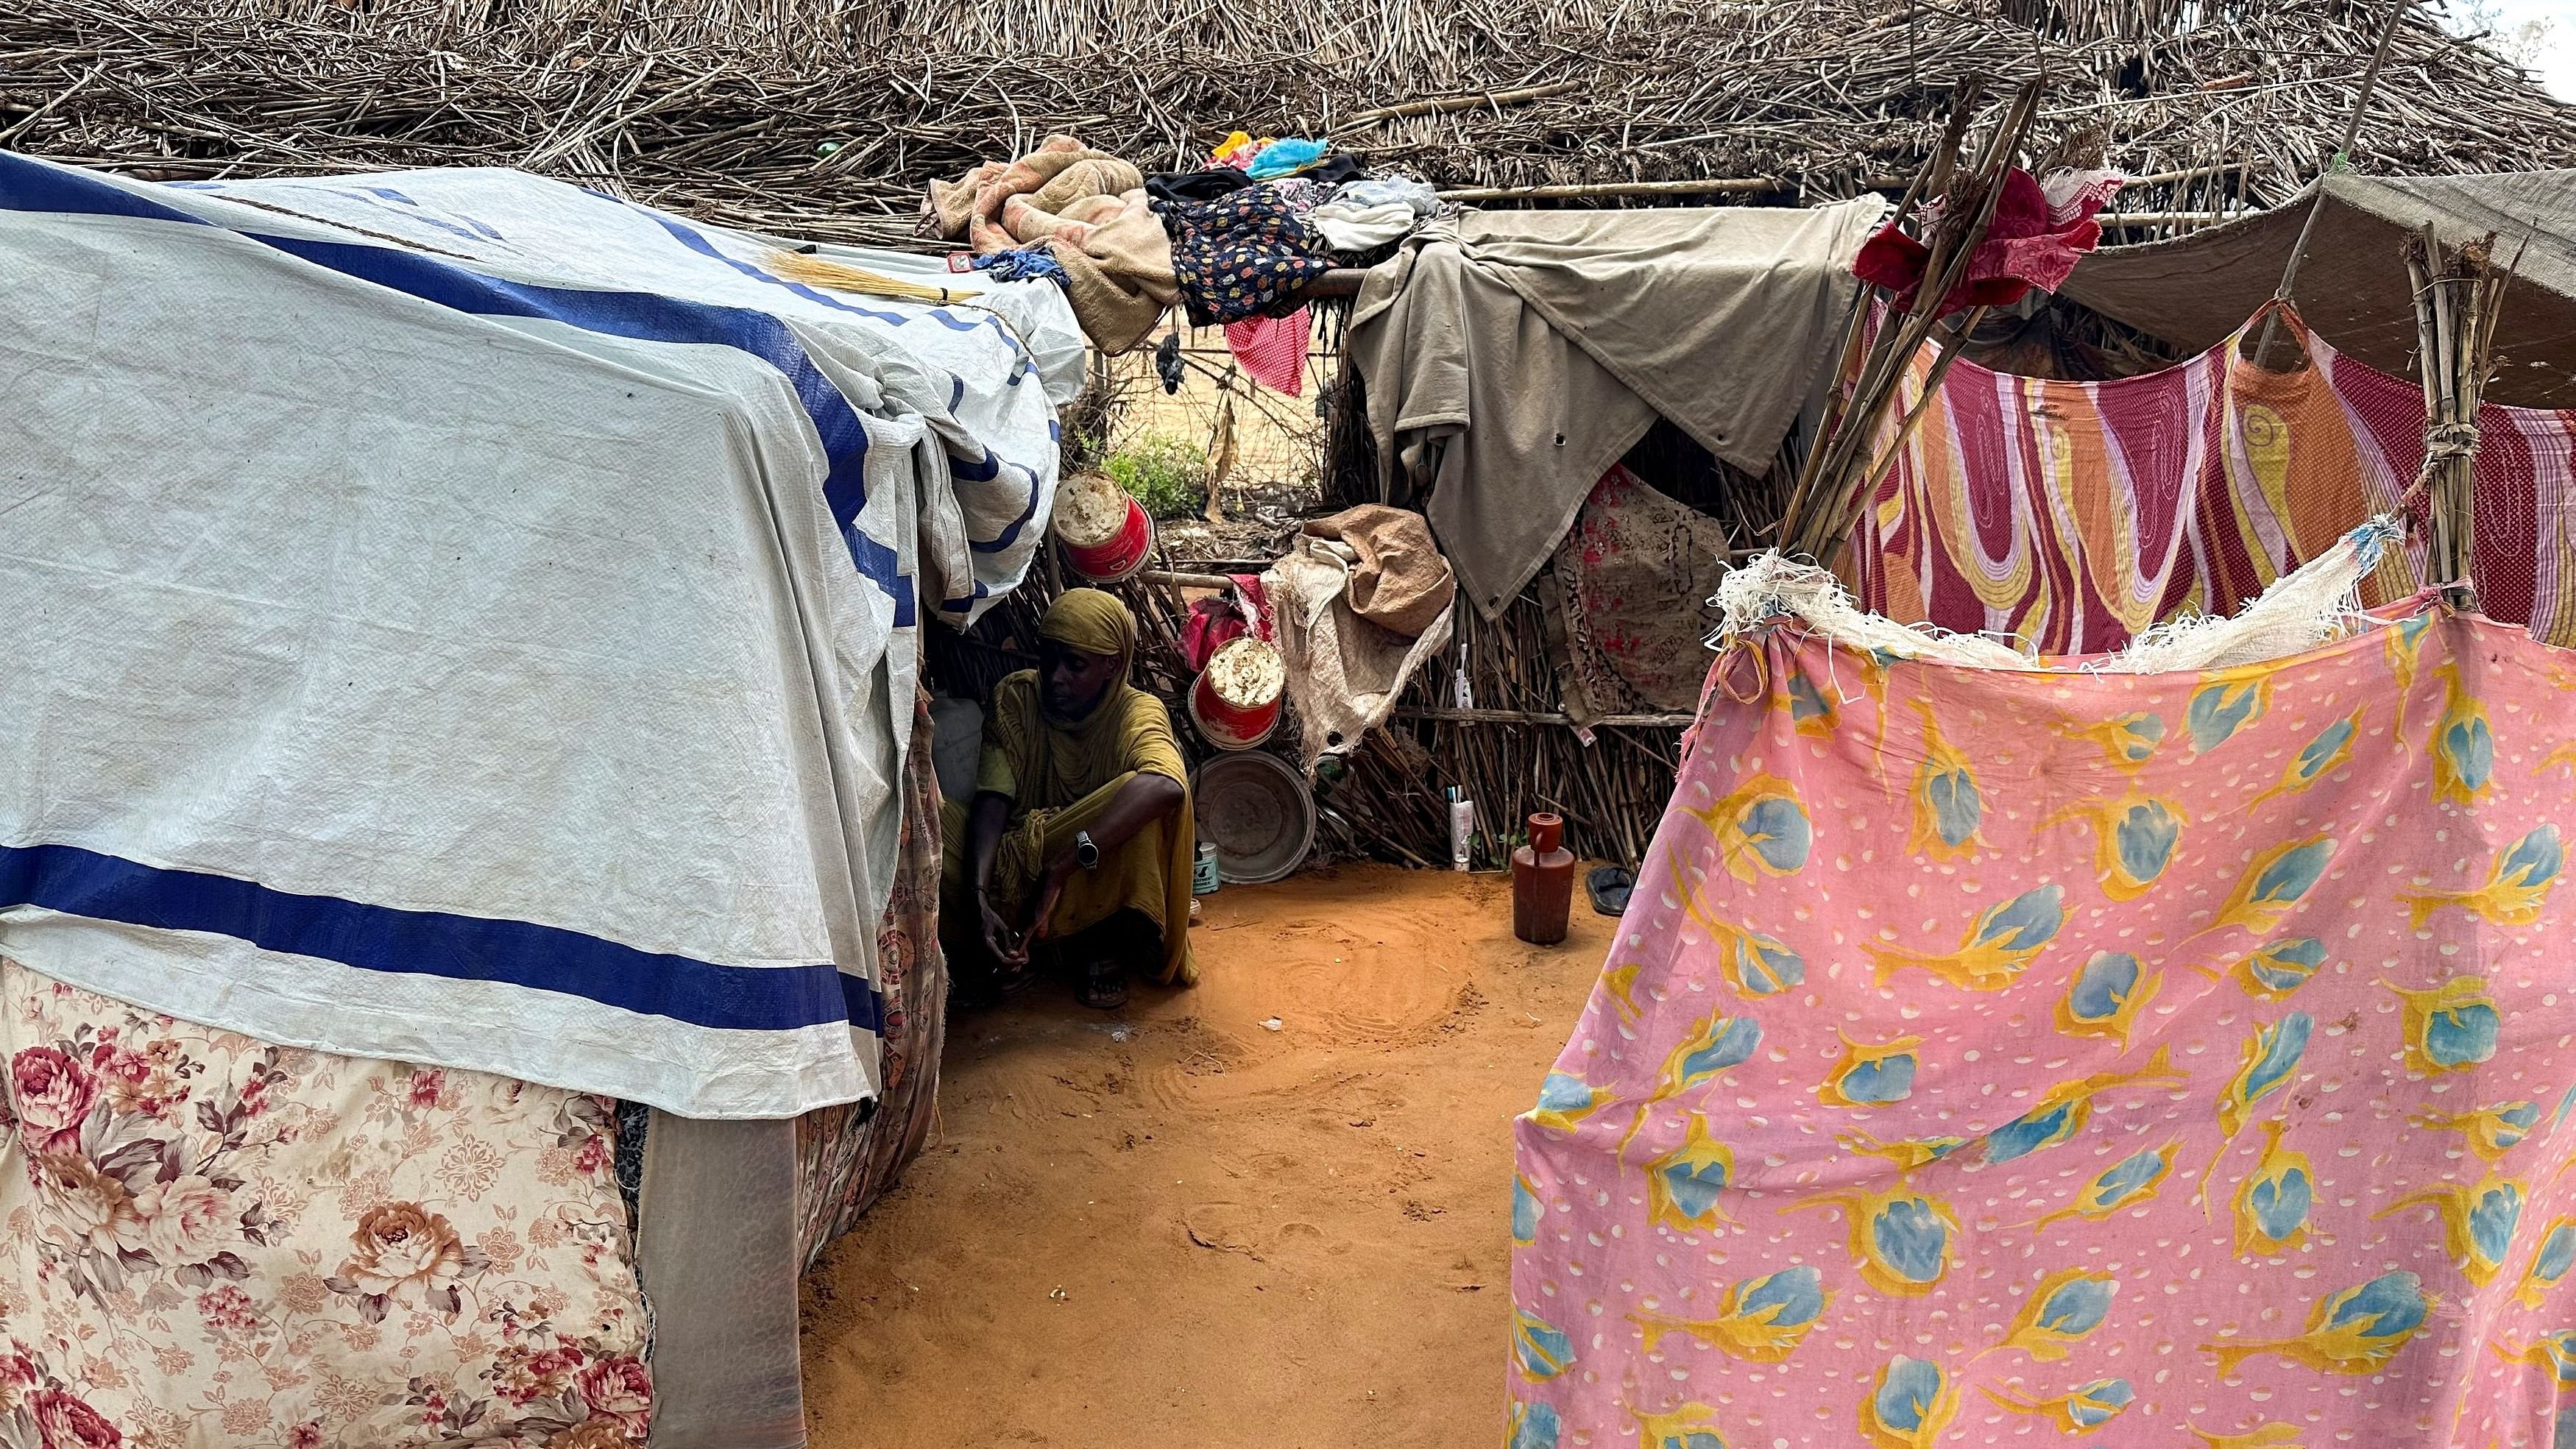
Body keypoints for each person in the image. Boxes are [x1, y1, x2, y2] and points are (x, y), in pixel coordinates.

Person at [942, 588, 1197, 1009]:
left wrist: (1060, 867)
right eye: (1048, 659)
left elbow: (1167, 784)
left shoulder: (1138, 713)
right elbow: (994, 797)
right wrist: (978, 894)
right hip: (1016, 860)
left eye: (1075, 665)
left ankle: (1096, 947)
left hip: (1083, 870)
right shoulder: (1017, 698)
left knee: (1139, 805)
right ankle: (1003, 937)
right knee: (925, 818)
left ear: (1112, 666)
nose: (1055, 676)